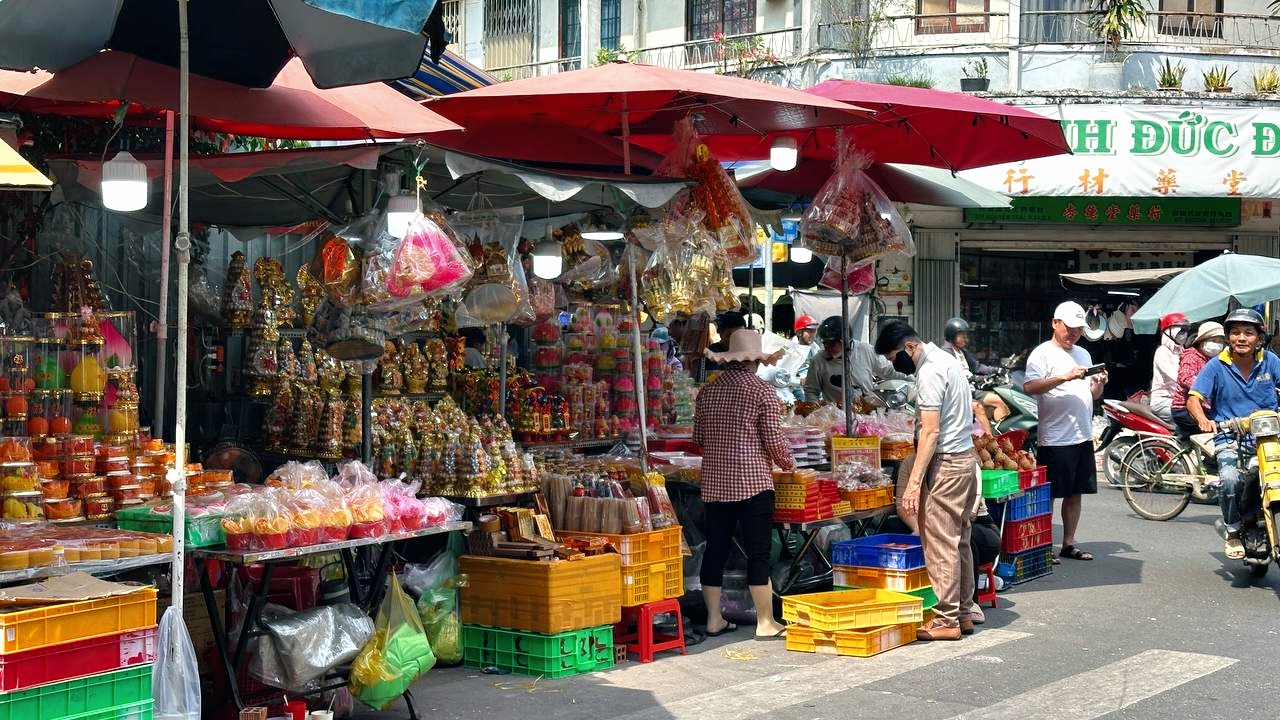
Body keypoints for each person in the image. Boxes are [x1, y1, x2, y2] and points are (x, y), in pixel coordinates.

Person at [875, 321, 977, 641]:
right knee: (958, 539)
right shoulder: (948, 361)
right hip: (964, 459)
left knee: (940, 540)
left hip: (947, 463)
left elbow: (931, 432)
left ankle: (947, 618)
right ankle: (962, 612)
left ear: (909, 347)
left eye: (893, 357)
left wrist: (914, 482)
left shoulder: (932, 370)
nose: (894, 364)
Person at [693, 330, 795, 640]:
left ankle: (713, 618)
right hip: (753, 485)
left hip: (715, 484)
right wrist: (790, 465)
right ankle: (765, 621)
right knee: (758, 552)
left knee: (716, 550)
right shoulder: (762, 392)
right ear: (755, 361)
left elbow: (699, 439)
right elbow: (774, 442)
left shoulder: (708, 393)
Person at [1186, 308, 1280, 560]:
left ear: (1258, 337)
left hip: (1268, 437)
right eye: (1235, 332)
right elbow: (1194, 398)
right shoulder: (1216, 366)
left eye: (1248, 333)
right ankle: (1233, 530)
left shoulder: (1271, 361)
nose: (1241, 338)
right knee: (1229, 479)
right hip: (1230, 437)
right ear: (1228, 337)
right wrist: (1203, 419)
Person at [1023, 301, 1107, 563]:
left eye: (1078, 329)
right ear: (1055, 323)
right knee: (1049, 495)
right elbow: (1029, 387)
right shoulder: (1042, 354)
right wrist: (1064, 377)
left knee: (1075, 492)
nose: (1073, 333)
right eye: (1068, 328)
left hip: (1081, 434)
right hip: (1055, 437)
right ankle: (1044, 545)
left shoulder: (1084, 354)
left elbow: (1092, 395)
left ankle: (1068, 543)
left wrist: (1098, 384)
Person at [806, 317, 909, 405]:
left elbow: (889, 371)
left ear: (846, 342)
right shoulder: (818, 361)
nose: (828, 348)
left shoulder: (866, 351)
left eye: (832, 345)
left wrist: (913, 379)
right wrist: (817, 413)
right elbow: (811, 391)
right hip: (835, 418)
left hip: (867, 414)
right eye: (825, 344)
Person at [1171, 321, 1225, 436]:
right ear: (1201, 342)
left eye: (1220, 342)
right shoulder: (1191, 356)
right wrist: (1208, 386)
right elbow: (1186, 378)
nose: (1218, 345)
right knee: (1215, 431)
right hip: (1183, 408)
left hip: (1204, 406)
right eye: (1214, 341)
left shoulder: (1212, 360)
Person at [1150, 313, 1191, 423]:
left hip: (1179, 400)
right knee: (1191, 419)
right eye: (1180, 331)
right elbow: (1177, 377)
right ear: (1169, 332)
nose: (1184, 334)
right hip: (1163, 401)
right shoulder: (1162, 352)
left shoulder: (1182, 351)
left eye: (1185, 331)